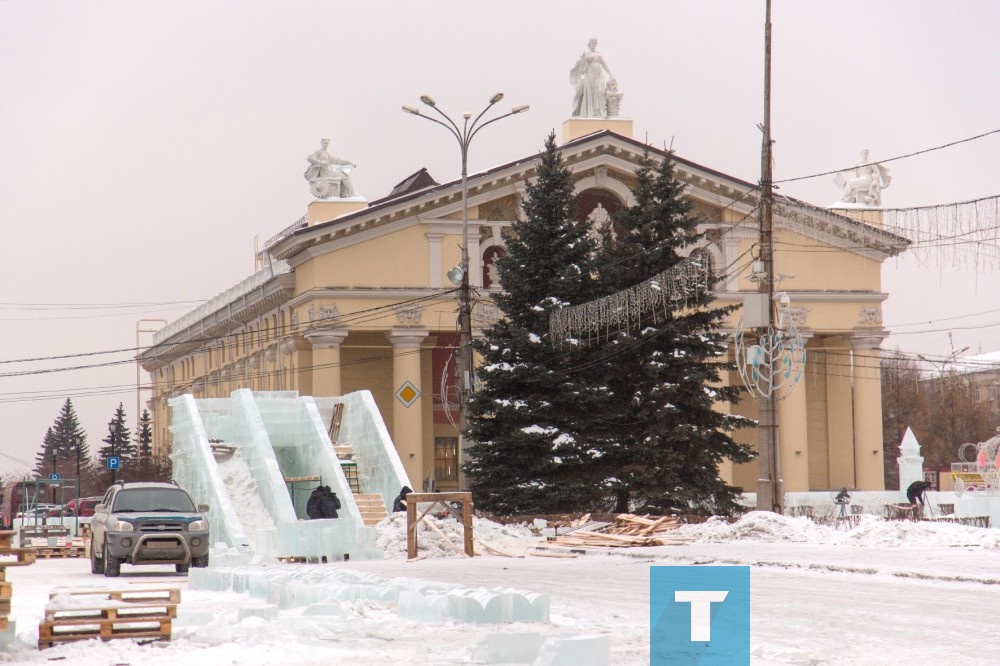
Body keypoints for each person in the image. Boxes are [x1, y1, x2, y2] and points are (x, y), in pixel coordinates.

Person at [569, 38, 614, 118]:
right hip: (590, 75)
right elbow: (583, 69)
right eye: (593, 43)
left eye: (595, 43)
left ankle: (601, 112)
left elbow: (604, 64)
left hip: (599, 75)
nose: (594, 44)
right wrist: (583, 61)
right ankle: (591, 113)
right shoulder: (586, 54)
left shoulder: (599, 54)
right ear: (589, 44)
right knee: (590, 93)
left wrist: (610, 73)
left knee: (600, 92)